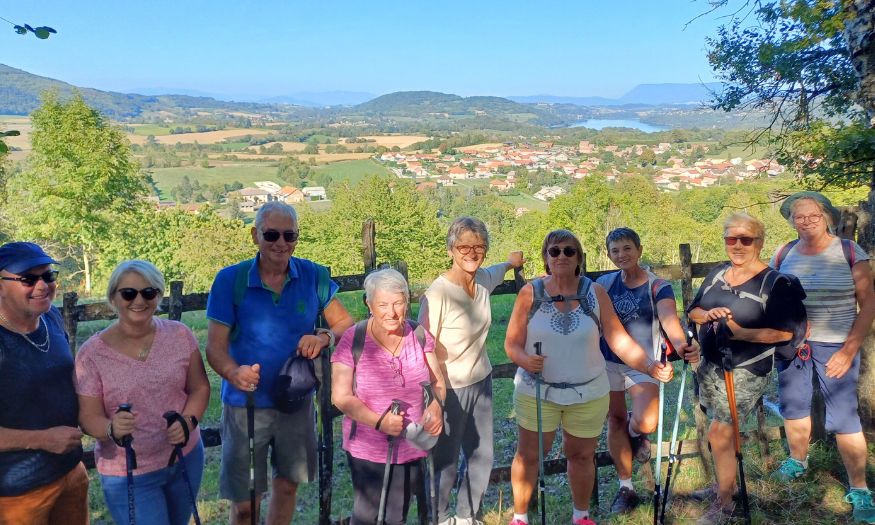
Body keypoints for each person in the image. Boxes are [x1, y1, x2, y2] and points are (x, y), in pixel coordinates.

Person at [504, 229, 673, 525]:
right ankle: (519, 518)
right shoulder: (530, 293)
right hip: (537, 391)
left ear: (579, 258)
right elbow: (511, 344)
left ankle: (581, 516)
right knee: (529, 456)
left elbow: (618, 340)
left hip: (587, 392)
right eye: (554, 251)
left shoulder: (596, 293)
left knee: (581, 455)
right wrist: (525, 360)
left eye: (569, 251)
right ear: (546, 257)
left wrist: (649, 367)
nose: (561, 257)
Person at [206, 201, 353, 525]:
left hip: (294, 402)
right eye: (271, 234)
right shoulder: (231, 280)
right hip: (246, 407)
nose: (281, 243)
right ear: (254, 235)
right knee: (245, 504)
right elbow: (214, 349)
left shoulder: (312, 275)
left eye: (290, 235)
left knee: (287, 488)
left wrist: (323, 337)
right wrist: (233, 372)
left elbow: (345, 324)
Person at [687, 213, 806, 525]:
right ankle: (725, 484)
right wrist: (708, 314)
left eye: (746, 239)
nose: (737, 245)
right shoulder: (717, 274)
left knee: (720, 431)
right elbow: (694, 310)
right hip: (712, 366)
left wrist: (741, 333)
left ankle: (724, 506)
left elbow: (784, 333)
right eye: (731, 238)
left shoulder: (777, 283)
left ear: (760, 242)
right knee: (721, 426)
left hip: (748, 369)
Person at [74, 260, 210, 525]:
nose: (139, 300)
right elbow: (88, 418)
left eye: (148, 293)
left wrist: (189, 420)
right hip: (129, 472)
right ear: (113, 297)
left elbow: (200, 387)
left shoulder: (180, 335)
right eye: (128, 293)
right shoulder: (91, 355)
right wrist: (112, 427)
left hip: (184, 457)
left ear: (158, 296)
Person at [769, 192, 875, 523]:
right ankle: (797, 462)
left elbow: (869, 303)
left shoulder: (848, 251)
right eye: (798, 216)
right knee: (794, 405)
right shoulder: (783, 253)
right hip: (794, 345)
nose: (805, 221)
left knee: (844, 417)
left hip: (837, 345)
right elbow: (771, 296)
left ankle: (860, 489)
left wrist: (849, 349)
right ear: (790, 221)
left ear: (826, 216)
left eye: (812, 215)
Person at [418, 216, 524, 525]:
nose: (471, 252)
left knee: (483, 455)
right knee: (446, 461)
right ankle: (438, 518)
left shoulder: (481, 282)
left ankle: (466, 516)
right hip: (447, 385)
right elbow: (424, 348)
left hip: (481, 380)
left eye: (479, 246)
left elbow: (498, 270)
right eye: (463, 246)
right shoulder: (437, 294)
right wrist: (435, 397)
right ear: (451, 249)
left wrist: (512, 262)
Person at [596, 227, 699, 514]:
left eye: (627, 248)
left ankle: (636, 433)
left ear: (639, 250)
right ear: (609, 254)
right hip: (607, 362)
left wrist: (681, 347)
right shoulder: (603, 283)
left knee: (646, 423)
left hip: (645, 364)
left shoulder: (657, 285)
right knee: (614, 421)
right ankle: (625, 487)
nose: (622, 255)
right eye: (615, 250)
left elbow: (669, 320)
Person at [332, 269, 445, 524]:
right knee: (367, 515)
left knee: (397, 515)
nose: (391, 312)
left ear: (407, 302)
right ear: (369, 303)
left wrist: (436, 405)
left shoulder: (418, 335)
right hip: (368, 446)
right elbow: (340, 396)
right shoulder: (354, 338)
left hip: (411, 442)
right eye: (383, 304)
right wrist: (379, 421)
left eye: (398, 303)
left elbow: (437, 380)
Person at [0, 242, 88, 525]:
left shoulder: (50, 316)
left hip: (70, 470)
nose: (42, 285)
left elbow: (67, 377)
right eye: (28, 278)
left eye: (48, 276)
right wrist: (43, 439)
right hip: (18, 491)